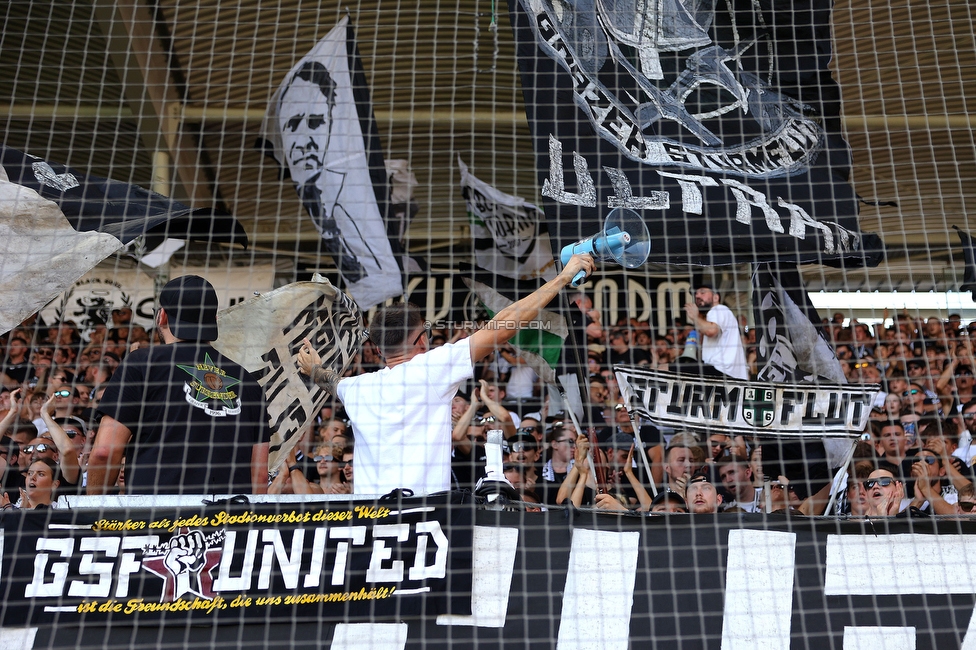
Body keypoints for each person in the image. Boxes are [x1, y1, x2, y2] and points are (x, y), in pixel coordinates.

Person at [297, 254, 594, 495]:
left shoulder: (357, 387)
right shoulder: (431, 369)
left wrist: (313, 369)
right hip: (424, 517)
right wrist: (563, 278)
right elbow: (505, 324)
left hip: (370, 521)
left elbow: (332, 382)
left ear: (377, 349)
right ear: (422, 340)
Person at [88, 275, 270, 495]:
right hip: (226, 522)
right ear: (214, 319)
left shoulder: (141, 364)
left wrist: (94, 511)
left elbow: (104, 452)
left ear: (162, 316)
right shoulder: (248, 382)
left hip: (156, 519)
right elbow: (259, 475)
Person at [682, 281, 748, 379]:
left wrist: (695, 317)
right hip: (726, 374)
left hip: (721, 371)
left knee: (665, 368)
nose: (697, 296)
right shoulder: (712, 316)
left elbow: (711, 331)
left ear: (716, 297)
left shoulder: (718, 309)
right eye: (696, 294)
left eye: (702, 292)